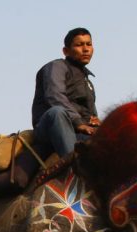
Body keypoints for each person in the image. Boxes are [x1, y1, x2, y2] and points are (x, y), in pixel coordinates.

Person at [31, 27, 100, 158]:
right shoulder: (56, 67)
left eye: (88, 44)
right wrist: (79, 122)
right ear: (66, 51)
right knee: (57, 112)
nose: (85, 49)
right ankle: (72, 164)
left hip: (78, 131)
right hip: (50, 127)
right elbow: (55, 96)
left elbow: (91, 114)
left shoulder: (87, 81)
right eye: (79, 45)